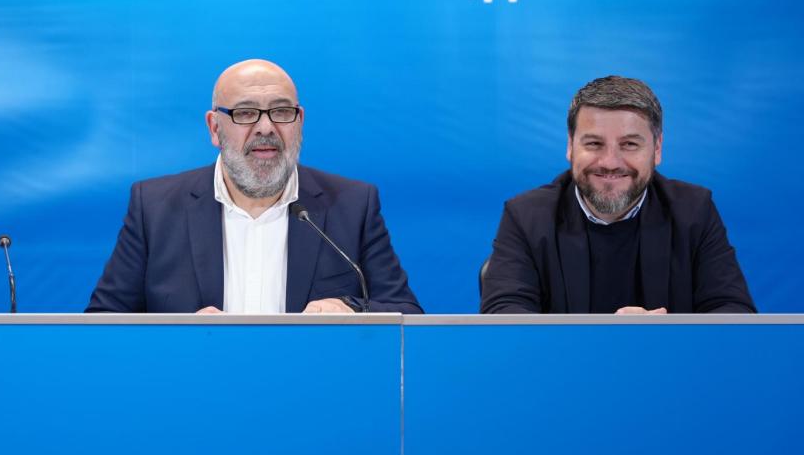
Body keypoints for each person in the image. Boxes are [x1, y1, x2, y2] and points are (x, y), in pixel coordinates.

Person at [87, 59, 421, 314]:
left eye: (281, 111)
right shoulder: (154, 207)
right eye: (246, 113)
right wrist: (182, 337)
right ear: (214, 128)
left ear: (299, 121)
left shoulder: (352, 205)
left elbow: (406, 314)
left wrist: (350, 308)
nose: (266, 127)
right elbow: (103, 323)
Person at [480, 76, 755, 314]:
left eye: (629, 144)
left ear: (657, 149)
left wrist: (662, 338)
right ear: (570, 146)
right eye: (594, 143)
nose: (610, 162)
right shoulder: (526, 216)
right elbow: (505, 318)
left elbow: (734, 315)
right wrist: (615, 341)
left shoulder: (694, 211)